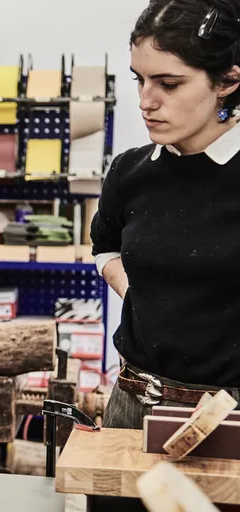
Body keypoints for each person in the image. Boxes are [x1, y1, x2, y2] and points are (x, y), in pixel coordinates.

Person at [91, 0, 240, 429]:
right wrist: (140, 298)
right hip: (131, 404)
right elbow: (104, 247)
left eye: (169, 84)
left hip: (229, 416)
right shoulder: (129, 171)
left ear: (227, 80)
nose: (145, 101)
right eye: (139, 79)